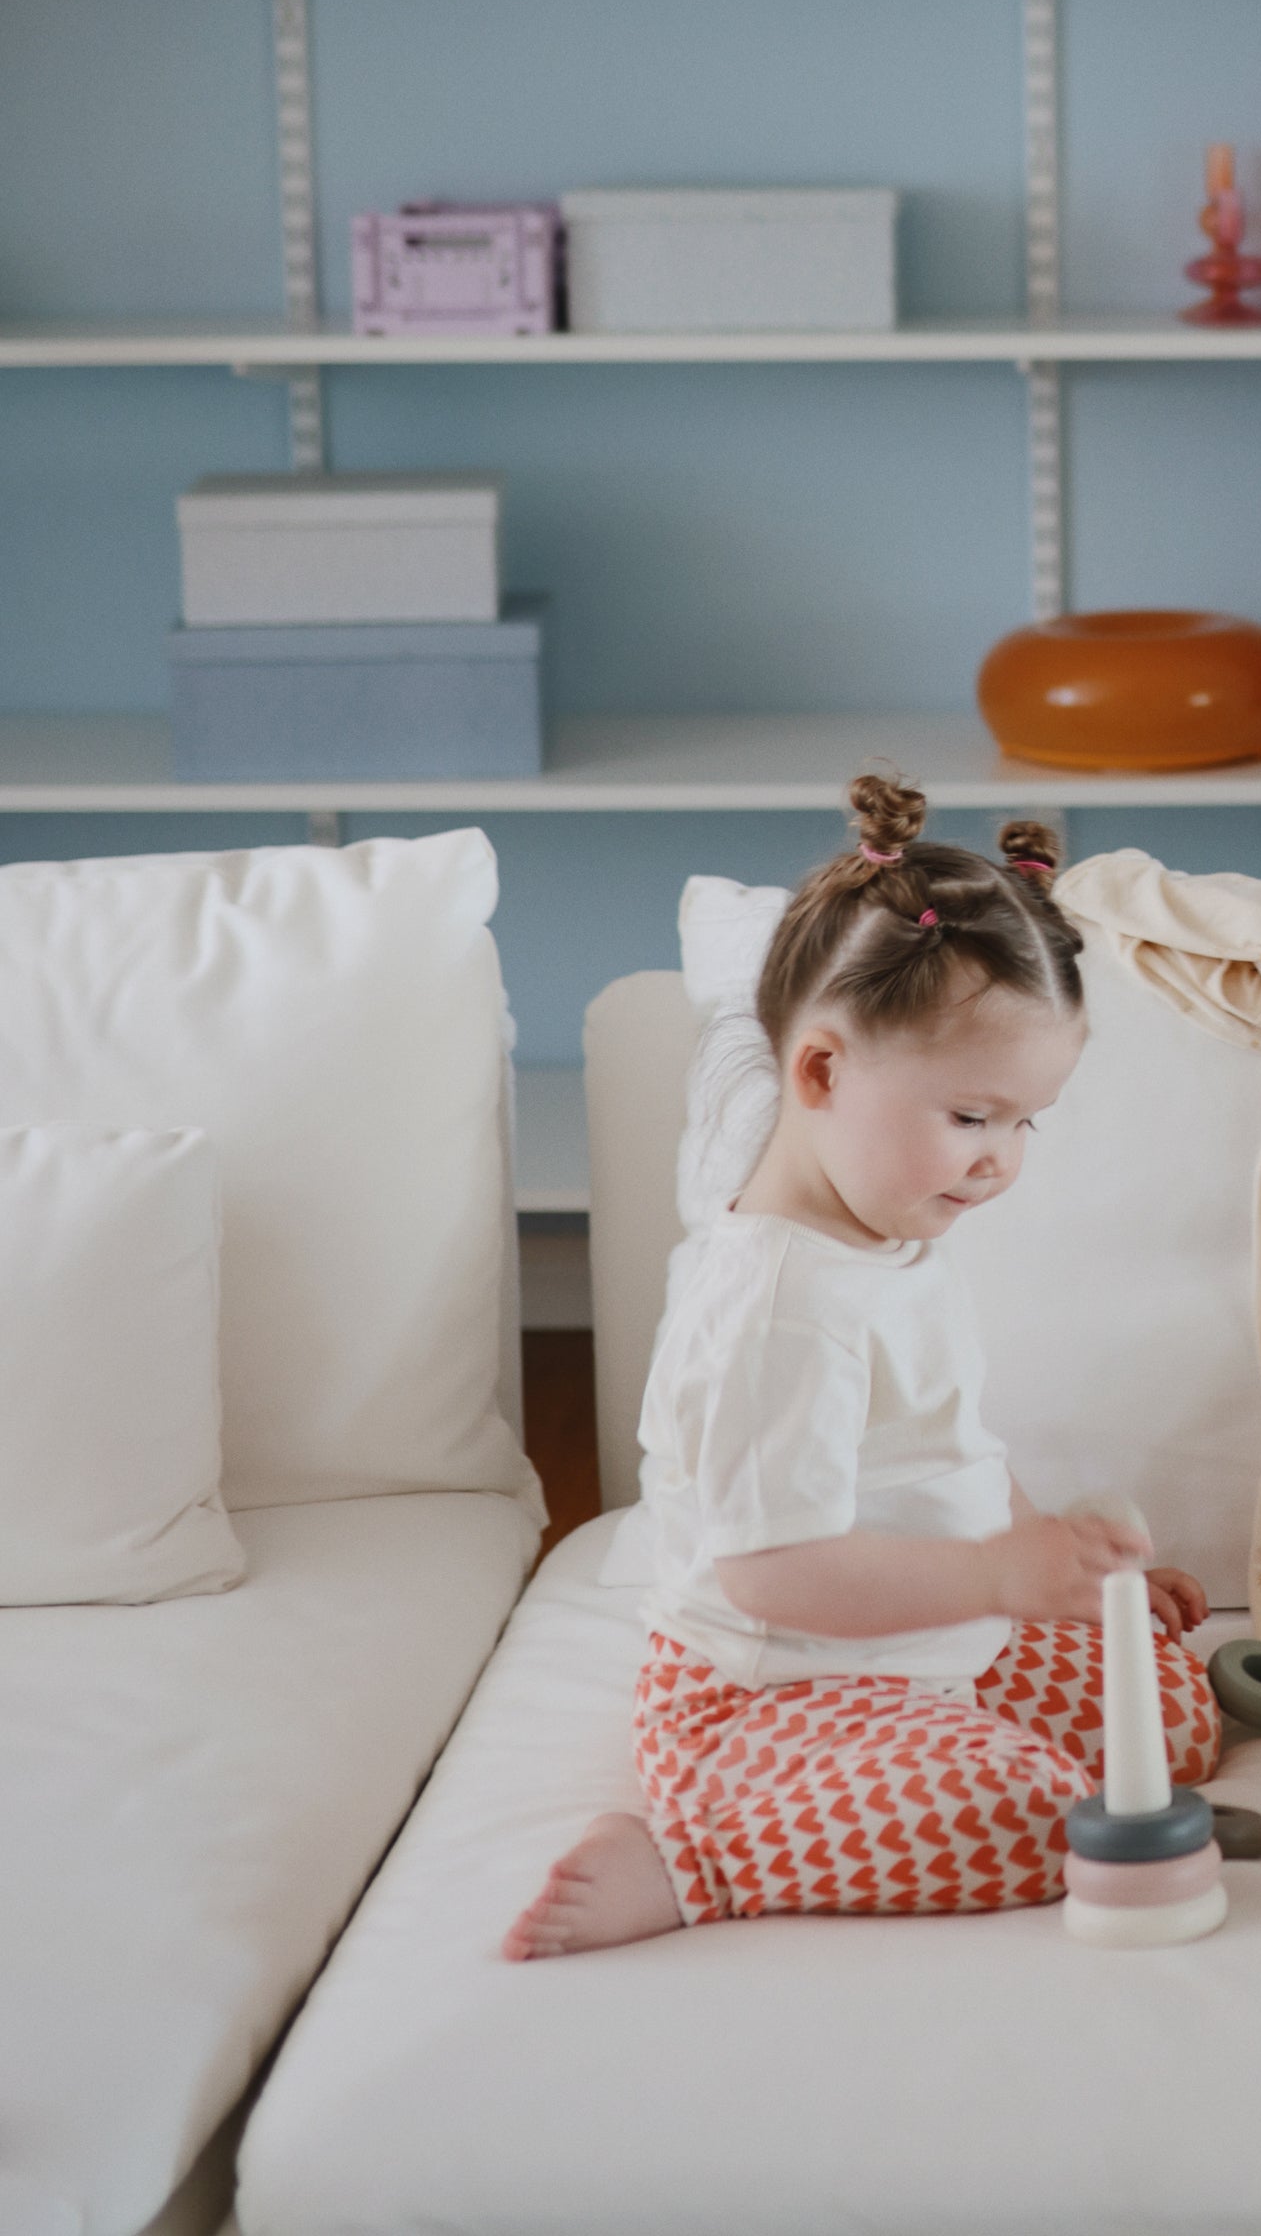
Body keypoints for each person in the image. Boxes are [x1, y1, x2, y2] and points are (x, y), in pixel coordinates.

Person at [504, 774, 1217, 1957]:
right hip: (776, 1688)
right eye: (975, 1117)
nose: (1002, 1164)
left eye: (1027, 1123)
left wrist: (1068, 1574)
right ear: (823, 1075)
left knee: (1171, 1719)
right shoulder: (780, 1307)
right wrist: (997, 1578)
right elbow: (774, 1578)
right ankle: (701, 1849)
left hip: (924, 1645)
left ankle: (970, 1718)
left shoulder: (888, 1230)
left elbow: (955, 1455)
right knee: (1042, 1818)